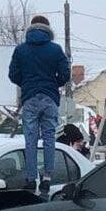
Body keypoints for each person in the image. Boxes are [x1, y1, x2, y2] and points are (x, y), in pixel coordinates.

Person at [8, 14, 71, 192]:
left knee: (30, 139)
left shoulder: (21, 50)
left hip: (30, 98)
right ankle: (47, 176)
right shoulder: (56, 50)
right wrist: (53, 83)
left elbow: (13, 75)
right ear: (48, 29)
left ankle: (30, 178)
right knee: (49, 137)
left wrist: (27, 83)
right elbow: (65, 75)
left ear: (31, 28)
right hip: (50, 98)